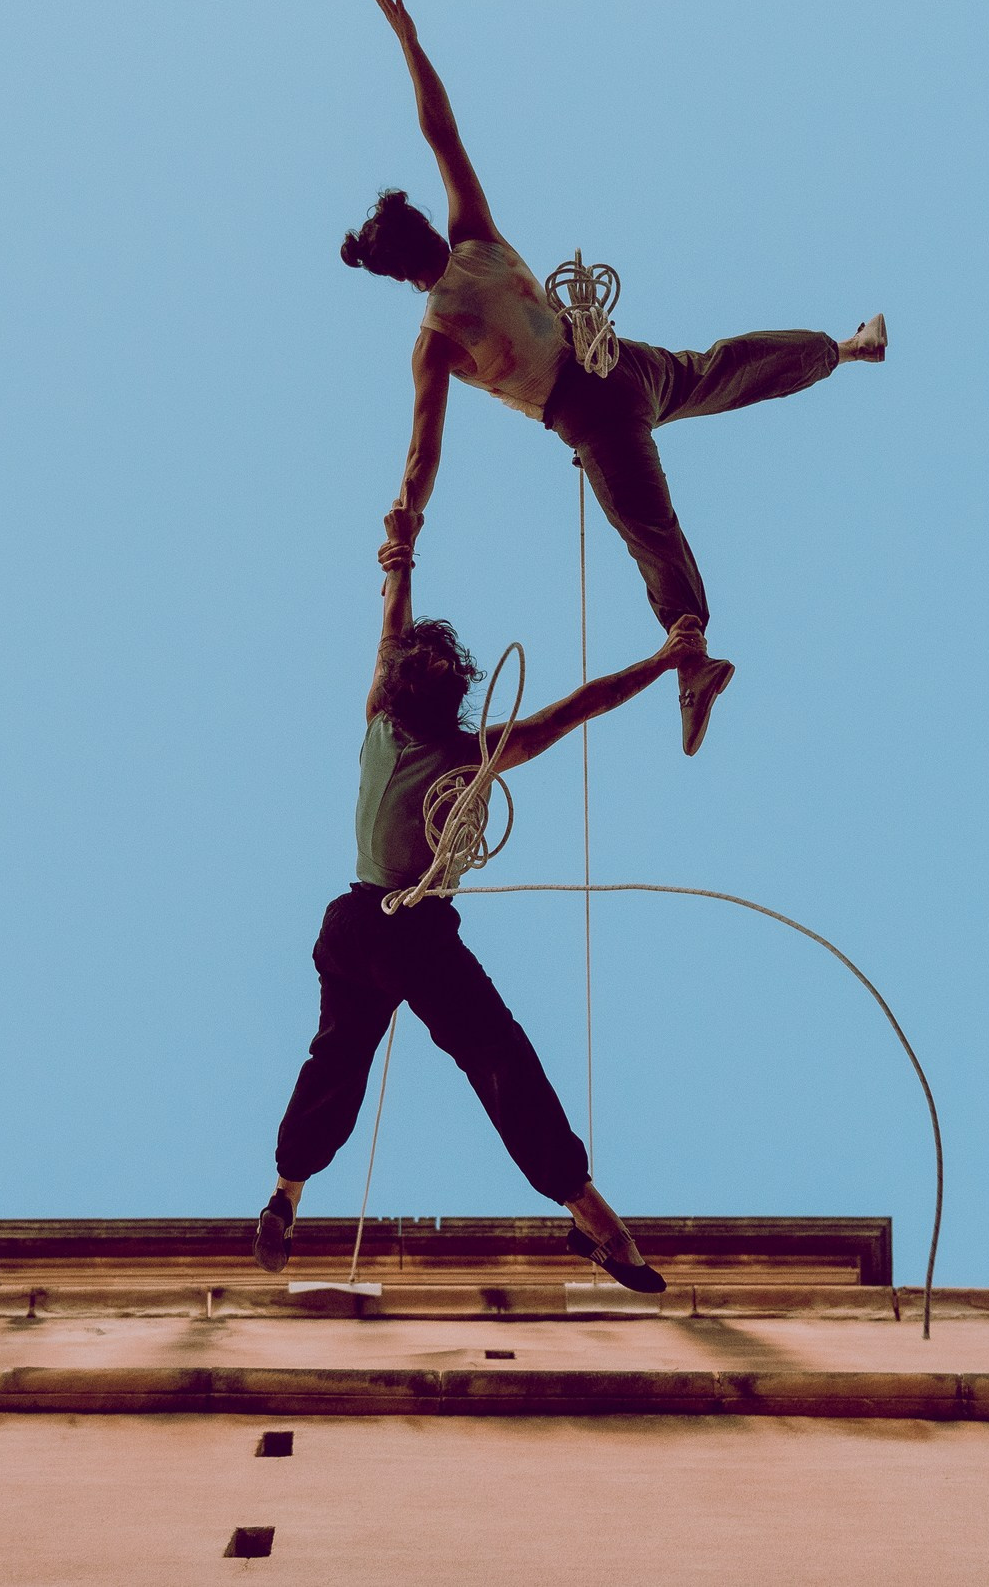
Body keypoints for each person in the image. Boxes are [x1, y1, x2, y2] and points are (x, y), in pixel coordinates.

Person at [345, 0, 888, 757]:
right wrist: (409, 42)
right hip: (621, 365)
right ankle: (846, 346)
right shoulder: (476, 238)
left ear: (400, 277)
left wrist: (405, 526)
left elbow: (422, 454)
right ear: (426, 229)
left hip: (590, 410)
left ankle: (691, 659)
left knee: (649, 528)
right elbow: (443, 134)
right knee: (722, 369)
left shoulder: (435, 338)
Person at [254, 513, 699, 1291]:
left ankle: (287, 1189)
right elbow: (576, 709)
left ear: (396, 688)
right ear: (456, 696)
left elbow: (389, 632)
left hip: (350, 924)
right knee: (497, 1055)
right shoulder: (472, 751)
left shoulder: (378, 725)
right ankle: (593, 1215)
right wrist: (662, 662)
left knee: (337, 1055)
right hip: (412, 929)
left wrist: (402, 562)